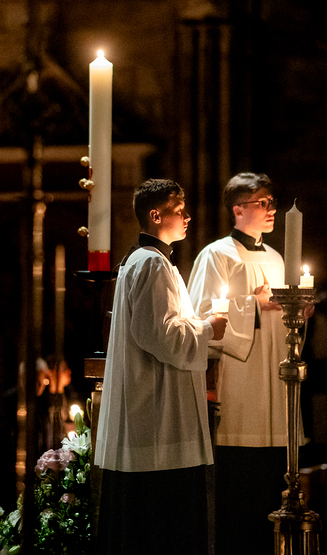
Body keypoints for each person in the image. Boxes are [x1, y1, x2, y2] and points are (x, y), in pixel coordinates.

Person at [94, 178, 227, 555]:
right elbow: (159, 335)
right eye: (178, 210)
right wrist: (208, 328)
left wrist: (196, 326)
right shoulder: (152, 263)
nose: (187, 217)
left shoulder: (141, 261)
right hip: (158, 419)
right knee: (163, 526)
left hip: (150, 413)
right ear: (155, 215)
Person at [187, 172, 313, 555]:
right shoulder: (216, 255)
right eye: (263, 203)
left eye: (272, 202)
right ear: (238, 209)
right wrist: (253, 305)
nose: (271, 209)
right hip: (239, 392)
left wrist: (299, 314)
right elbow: (201, 318)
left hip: (276, 386)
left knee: (276, 488)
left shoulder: (277, 258)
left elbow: (286, 328)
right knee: (241, 501)